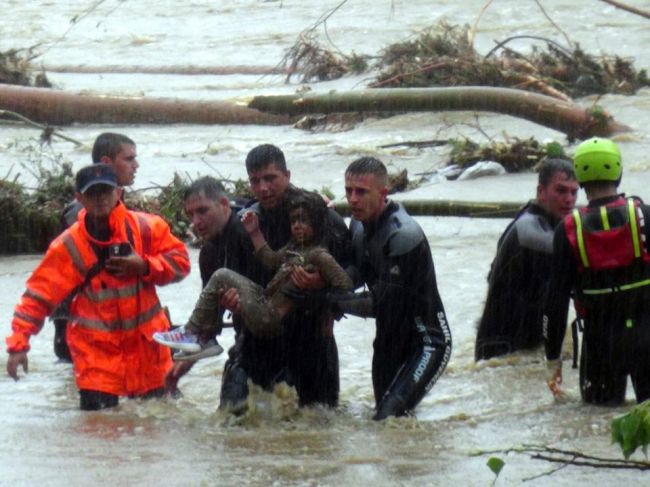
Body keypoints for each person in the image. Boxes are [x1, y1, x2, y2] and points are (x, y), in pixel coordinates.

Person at [6, 164, 189, 410]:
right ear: (79, 198)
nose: (100, 198)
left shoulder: (146, 228)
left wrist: (145, 266)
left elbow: (181, 263)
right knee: (99, 437)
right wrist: (18, 344)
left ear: (119, 192)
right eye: (92, 193)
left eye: (106, 190)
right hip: (97, 360)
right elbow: (38, 297)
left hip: (148, 355)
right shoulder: (68, 245)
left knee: (154, 436)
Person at [219, 144, 351, 410]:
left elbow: (354, 271)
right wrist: (230, 300)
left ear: (287, 176)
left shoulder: (322, 215)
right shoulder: (243, 226)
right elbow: (231, 278)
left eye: (270, 178)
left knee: (319, 427)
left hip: (311, 336)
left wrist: (323, 284)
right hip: (258, 340)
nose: (263, 188)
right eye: (255, 181)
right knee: (238, 427)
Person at [154, 190, 353, 355]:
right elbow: (271, 260)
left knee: (222, 274)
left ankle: (192, 331)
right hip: (265, 301)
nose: (298, 226)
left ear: (317, 223)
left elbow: (345, 285)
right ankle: (204, 336)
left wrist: (319, 285)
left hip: (270, 317)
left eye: (304, 221)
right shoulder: (295, 246)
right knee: (222, 280)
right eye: (294, 221)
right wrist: (255, 232)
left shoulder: (320, 255)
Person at [331, 156, 452, 420]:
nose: (352, 199)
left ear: (383, 193)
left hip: (426, 343)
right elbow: (356, 274)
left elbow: (380, 303)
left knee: (389, 417)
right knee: (386, 425)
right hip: (387, 340)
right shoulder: (359, 225)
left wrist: (328, 300)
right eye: (348, 191)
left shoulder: (403, 235)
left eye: (361, 192)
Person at [544, 137, 650, 405]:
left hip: (601, 343)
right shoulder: (644, 216)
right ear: (619, 172)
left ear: (579, 177)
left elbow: (554, 303)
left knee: (597, 421)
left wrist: (552, 360)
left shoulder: (567, 230)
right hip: (647, 336)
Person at [474, 159, 579, 361]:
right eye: (561, 191)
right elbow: (572, 259)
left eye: (574, 192)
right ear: (541, 192)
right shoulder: (529, 231)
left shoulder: (539, 223)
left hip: (523, 345)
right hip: (503, 350)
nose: (569, 200)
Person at [53, 132, 140, 362]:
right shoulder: (82, 213)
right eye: (129, 159)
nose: (136, 165)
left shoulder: (114, 207)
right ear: (106, 163)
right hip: (80, 322)